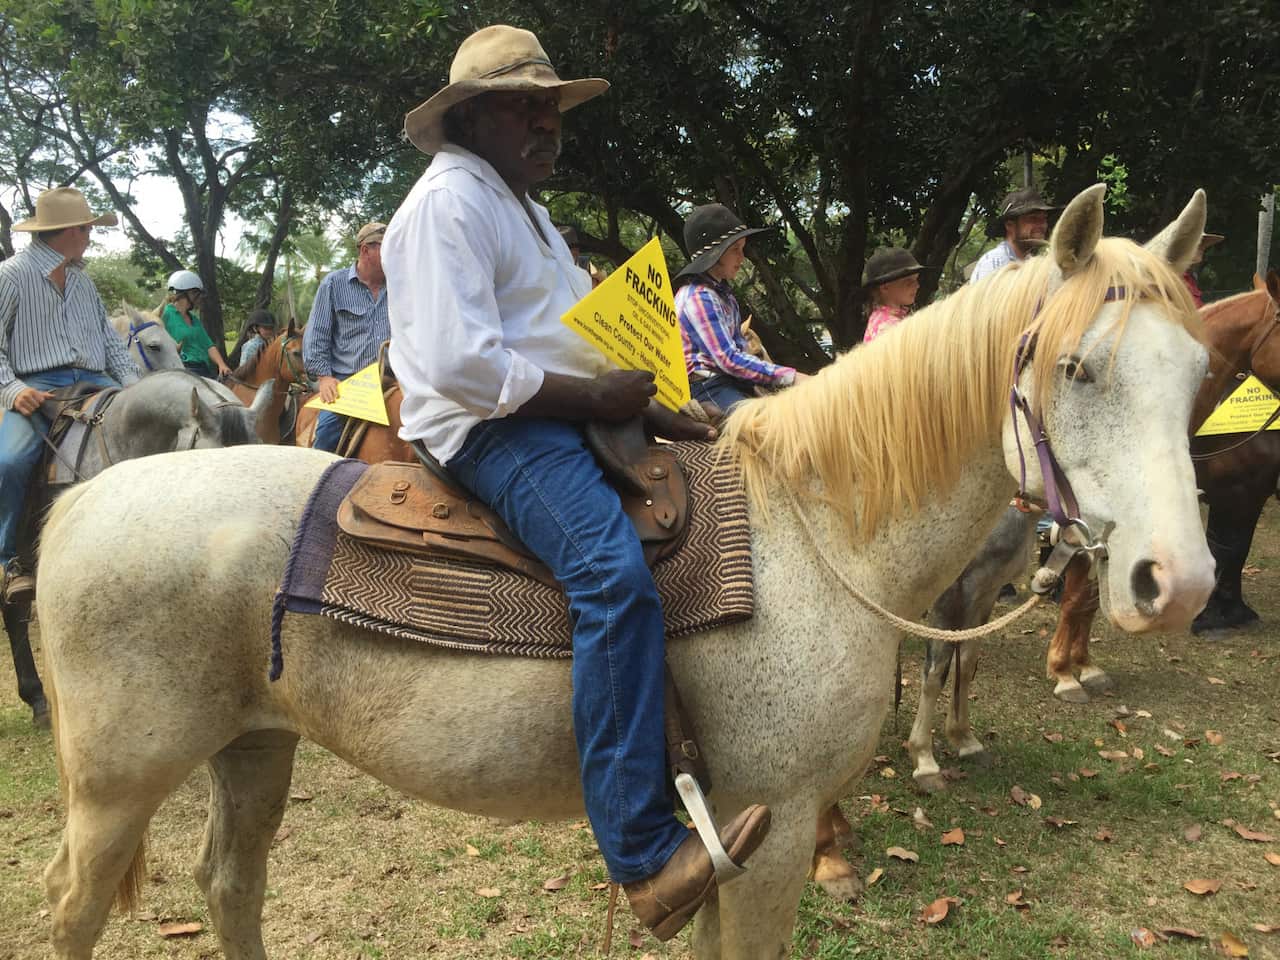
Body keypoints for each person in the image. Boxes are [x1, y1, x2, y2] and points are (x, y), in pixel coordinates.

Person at [381, 24, 771, 941]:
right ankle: (642, 857)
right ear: (469, 116)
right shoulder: (448, 207)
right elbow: (461, 365)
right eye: (524, 103)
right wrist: (597, 396)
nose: (545, 121)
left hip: (564, 414)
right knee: (612, 577)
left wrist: (650, 408)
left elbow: (565, 334)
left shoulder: (523, 206)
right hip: (493, 431)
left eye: (551, 105)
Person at [0, 186, 140, 602]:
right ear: (69, 232)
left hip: (97, 382)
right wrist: (12, 389)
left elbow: (109, 343)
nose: (91, 237)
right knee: (9, 460)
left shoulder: (83, 282)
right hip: (40, 388)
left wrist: (134, 388)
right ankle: (8, 560)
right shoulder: (11, 275)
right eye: (87, 229)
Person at [675, 203, 803, 412]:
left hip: (729, 381)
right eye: (735, 250)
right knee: (764, 427)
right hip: (706, 386)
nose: (741, 257)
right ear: (715, 255)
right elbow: (728, 359)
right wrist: (791, 376)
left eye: (742, 249)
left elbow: (740, 348)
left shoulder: (724, 297)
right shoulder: (698, 298)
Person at [302, 221, 390, 452]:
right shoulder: (333, 284)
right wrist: (324, 377)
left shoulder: (401, 285)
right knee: (327, 434)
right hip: (349, 381)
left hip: (394, 377)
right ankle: (319, 478)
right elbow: (317, 335)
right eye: (387, 246)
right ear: (365, 250)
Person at [969, 186, 1058, 284]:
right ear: (1009, 225)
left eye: (1044, 219)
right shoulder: (995, 263)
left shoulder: (1032, 264)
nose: (1042, 225)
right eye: (1033, 219)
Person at [162, 270, 233, 379]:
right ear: (188, 293)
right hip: (181, 369)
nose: (200, 298)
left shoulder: (194, 320)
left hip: (203, 369)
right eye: (197, 294)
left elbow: (208, 345)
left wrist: (222, 365)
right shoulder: (165, 314)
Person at [861, 247, 931, 343]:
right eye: (908, 281)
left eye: (916, 279)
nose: (917, 285)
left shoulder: (885, 320)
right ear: (885, 287)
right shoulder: (888, 329)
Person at [227, 308, 278, 372]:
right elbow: (244, 370)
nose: (269, 331)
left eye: (271, 328)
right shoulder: (250, 347)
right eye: (266, 328)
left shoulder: (271, 344)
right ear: (255, 328)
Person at [1183, 232, 1224, 308]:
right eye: (1197, 245)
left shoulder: (1191, 276)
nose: (1202, 249)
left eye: (1202, 245)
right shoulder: (1174, 278)